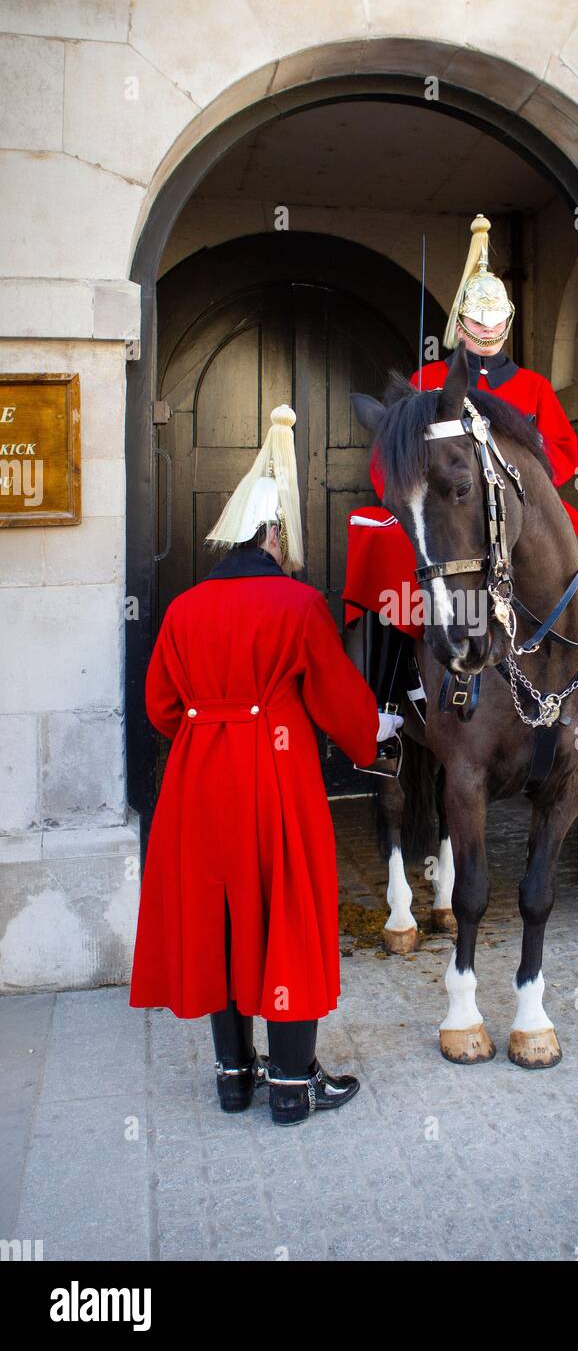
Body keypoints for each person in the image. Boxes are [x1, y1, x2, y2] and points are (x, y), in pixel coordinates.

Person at [128, 405, 403, 1126]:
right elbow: (342, 710)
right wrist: (373, 735)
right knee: (288, 918)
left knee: (219, 923)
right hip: (274, 781)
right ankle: (290, 1086)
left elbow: (159, 709)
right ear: (275, 535)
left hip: (195, 784)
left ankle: (232, 1077)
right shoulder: (298, 603)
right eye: (290, 539)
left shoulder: (185, 608)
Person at [349, 214, 578, 761]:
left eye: (492, 324)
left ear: (506, 324)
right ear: (460, 324)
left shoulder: (531, 387)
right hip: (440, 512)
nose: (483, 335)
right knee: (388, 550)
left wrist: (524, 479)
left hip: (520, 511)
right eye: (474, 325)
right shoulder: (429, 382)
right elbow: (395, 450)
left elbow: (562, 455)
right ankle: (387, 700)